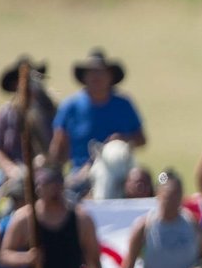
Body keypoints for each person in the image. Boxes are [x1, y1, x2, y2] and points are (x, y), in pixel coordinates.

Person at [51, 48, 147, 183]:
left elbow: (142, 140)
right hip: (81, 173)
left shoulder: (124, 104)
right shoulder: (70, 107)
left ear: (110, 76)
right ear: (84, 77)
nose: (96, 77)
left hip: (119, 173)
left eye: (101, 72)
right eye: (91, 72)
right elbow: (58, 147)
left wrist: (122, 139)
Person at [0, 58, 55, 207]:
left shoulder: (49, 113)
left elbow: (56, 146)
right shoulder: (4, 113)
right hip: (9, 174)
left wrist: (42, 161)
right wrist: (10, 168)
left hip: (43, 174)